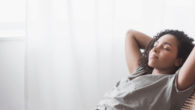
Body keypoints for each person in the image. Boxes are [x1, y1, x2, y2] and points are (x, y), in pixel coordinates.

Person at [95, 29, 195, 110]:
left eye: (166, 48)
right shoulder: (139, 72)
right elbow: (131, 34)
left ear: (179, 61)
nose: (154, 49)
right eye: (154, 45)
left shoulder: (173, 85)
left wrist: (185, 53)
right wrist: (160, 48)